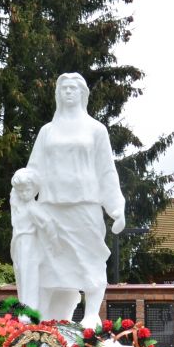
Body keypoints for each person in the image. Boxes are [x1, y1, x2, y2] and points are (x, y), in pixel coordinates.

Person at [24, 73, 125, 328]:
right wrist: (23, 185)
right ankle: (44, 316)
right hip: (51, 207)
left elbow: (106, 169)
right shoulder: (47, 132)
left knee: (90, 256)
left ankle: (91, 313)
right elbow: (34, 168)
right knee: (50, 261)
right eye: (64, 88)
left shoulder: (95, 129)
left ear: (82, 94)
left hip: (85, 205)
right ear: (59, 94)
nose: (68, 92)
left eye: (73, 88)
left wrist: (115, 207)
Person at [9, 167, 55, 310]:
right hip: (18, 244)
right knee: (22, 277)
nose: (23, 194)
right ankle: (25, 307)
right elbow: (13, 194)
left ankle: (29, 311)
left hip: (29, 244)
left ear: (35, 190)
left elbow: (48, 224)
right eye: (20, 191)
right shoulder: (18, 204)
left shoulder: (33, 208)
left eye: (27, 190)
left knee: (29, 277)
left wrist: (53, 243)